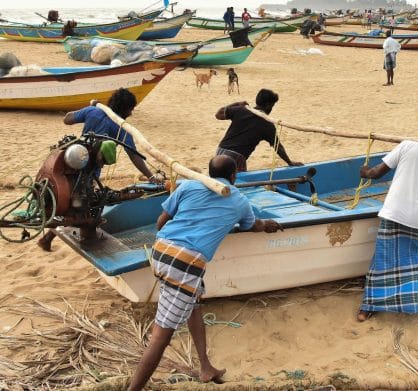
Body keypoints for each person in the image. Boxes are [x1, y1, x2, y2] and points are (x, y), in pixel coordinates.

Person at [127, 156, 283, 390]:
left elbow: (161, 222)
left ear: (210, 174)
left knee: (194, 302)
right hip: (185, 263)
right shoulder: (239, 200)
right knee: (162, 336)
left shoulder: (188, 185)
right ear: (233, 177)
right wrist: (268, 225)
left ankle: (205, 367)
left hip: (160, 251)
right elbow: (253, 225)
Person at [356, 118, 418, 321]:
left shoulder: (407, 145)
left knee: (383, 261)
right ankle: (417, 303)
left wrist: (364, 171)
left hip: (393, 212)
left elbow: (376, 173)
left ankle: (367, 308)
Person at [63, 88, 158, 183]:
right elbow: (133, 156)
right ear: (125, 109)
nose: (130, 114)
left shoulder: (92, 111)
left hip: (76, 157)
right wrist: (151, 177)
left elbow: (67, 119)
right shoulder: (122, 127)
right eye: (130, 110)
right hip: (92, 168)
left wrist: (90, 107)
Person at [215, 89, 303, 171]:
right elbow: (278, 147)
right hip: (236, 157)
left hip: (220, 150)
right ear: (268, 105)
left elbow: (218, 114)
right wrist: (289, 162)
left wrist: (237, 103)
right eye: (272, 105)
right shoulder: (267, 124)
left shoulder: (241, 110)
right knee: (236, 184)